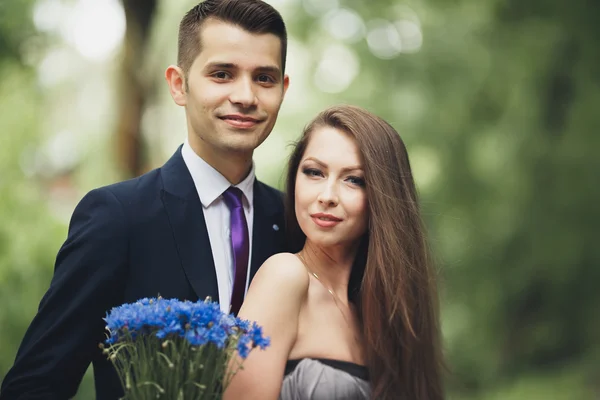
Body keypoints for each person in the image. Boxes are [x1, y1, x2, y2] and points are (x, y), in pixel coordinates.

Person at [0, 0, 290, 399]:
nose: (245, 95)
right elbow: (35, 385)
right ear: (178, 84)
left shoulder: (296, 222)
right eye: (222, 74)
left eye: (264, 78)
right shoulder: (117, 217)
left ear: (282, 89)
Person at [223, 105, 445, 400]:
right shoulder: (285, 276)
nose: (327, 196)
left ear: (384, 196)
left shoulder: (380, 312)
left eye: (353, 179)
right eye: (314, 172)